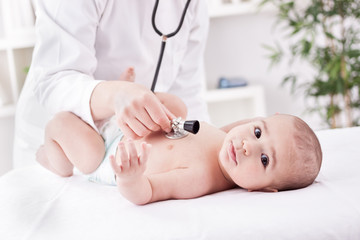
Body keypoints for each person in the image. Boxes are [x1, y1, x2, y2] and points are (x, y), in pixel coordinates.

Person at [36, 78, 323, 205]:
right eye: (258, 132)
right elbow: (248, 128)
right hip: (129, 125)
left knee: (76, 143)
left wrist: (130, 177)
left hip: (110, 154)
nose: (249, 146)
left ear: (266, 189)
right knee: (177, 105)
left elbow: (147, 192)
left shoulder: (199, 178)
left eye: (264, 160)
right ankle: (119, 101)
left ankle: (50, 156)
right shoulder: (229, 140)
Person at [13, 0, 210, 168]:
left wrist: (205, 149)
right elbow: (55, 78)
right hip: (62, 140)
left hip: (129, 143)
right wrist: (115, 95)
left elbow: (188, 88)